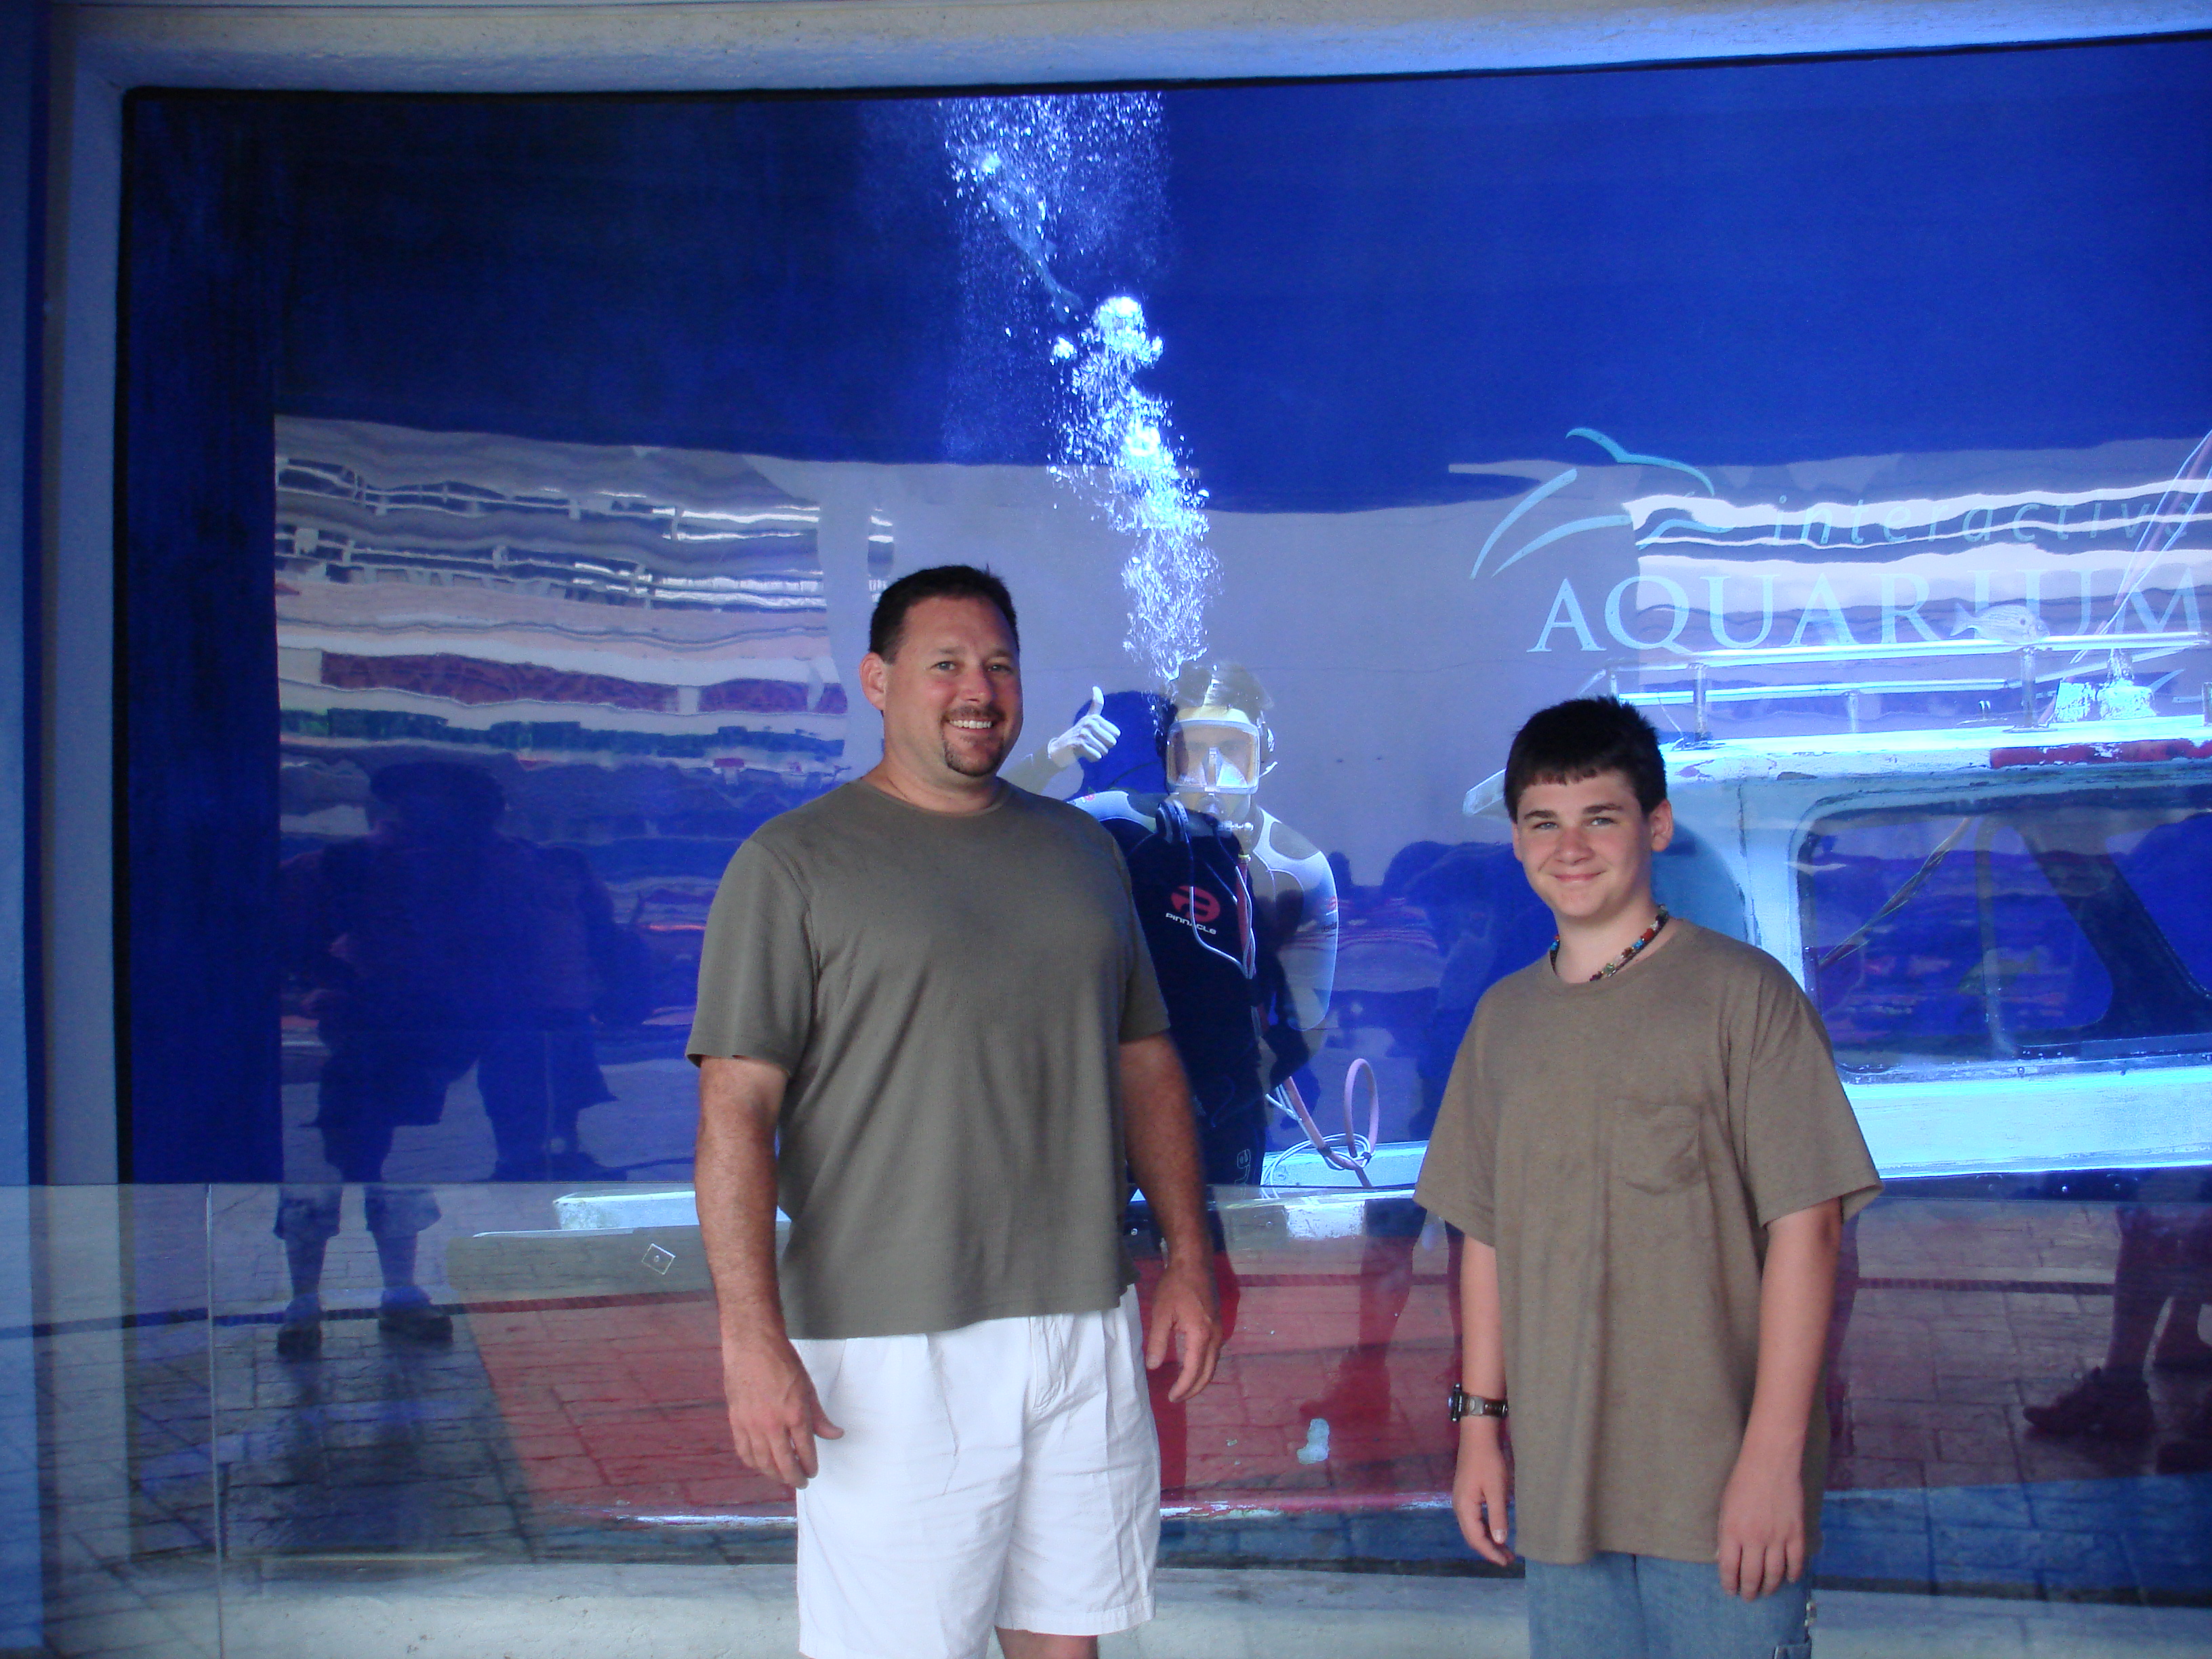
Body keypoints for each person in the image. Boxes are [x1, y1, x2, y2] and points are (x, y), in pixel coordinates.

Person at [688, 565, 1223, 1659]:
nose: (977, 689)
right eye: (944, 664)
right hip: (887, 1339)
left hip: (1081, 1317)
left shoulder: (1080, 851)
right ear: (877, 680)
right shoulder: (791, 864)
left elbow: (1144, 1063)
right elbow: (734, 1111)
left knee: (1065, 1638)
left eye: (998, 665)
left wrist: (1186, 1255)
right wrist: (749, 1337)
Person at [1415, 697, 1880, 1658]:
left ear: (1657, 826)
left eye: (1601, 817)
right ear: (1516, 841)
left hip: (1720, 1494)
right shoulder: (1502, 1023)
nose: (1570, 847)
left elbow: (1810, 1231)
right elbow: (1485, 1240)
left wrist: (1772, 1461)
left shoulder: (1745, 998)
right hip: (1563, 1495)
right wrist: (1479, 1431)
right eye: (1544, 821)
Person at [274, 760, 632, 1357]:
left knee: (371, 1172)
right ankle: (325, 1300)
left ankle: (357, 1297)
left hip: (418, 1043)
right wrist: (333, 982)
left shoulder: (506, 867)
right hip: (382, 1041)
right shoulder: (353, 866)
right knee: (344, 1172)